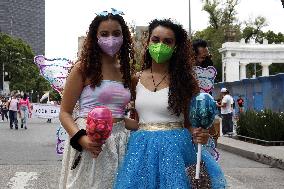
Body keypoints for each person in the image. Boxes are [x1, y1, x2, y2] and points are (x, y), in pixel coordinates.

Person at [114, 19, 226, 189]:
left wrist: (200, 134)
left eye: (168, 41)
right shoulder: (135, 79)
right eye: (156, 40)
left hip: (177, 152)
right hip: (141, 152)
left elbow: (192, 124)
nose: (160, 45)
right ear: (148, 42)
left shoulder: (186, 81)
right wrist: (115, 119)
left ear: (175, 47)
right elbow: (138, 122)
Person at [59, 10, 135, 189]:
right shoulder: (82, 68)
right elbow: (65, 112)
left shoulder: (127, 71)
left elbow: (121, 119)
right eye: (104, 34)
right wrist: (82, 139)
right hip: (90, 141)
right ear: (95, 37)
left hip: (121, 144)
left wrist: (156, 127)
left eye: (116, 33)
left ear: (124, 36)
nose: (111, 39)